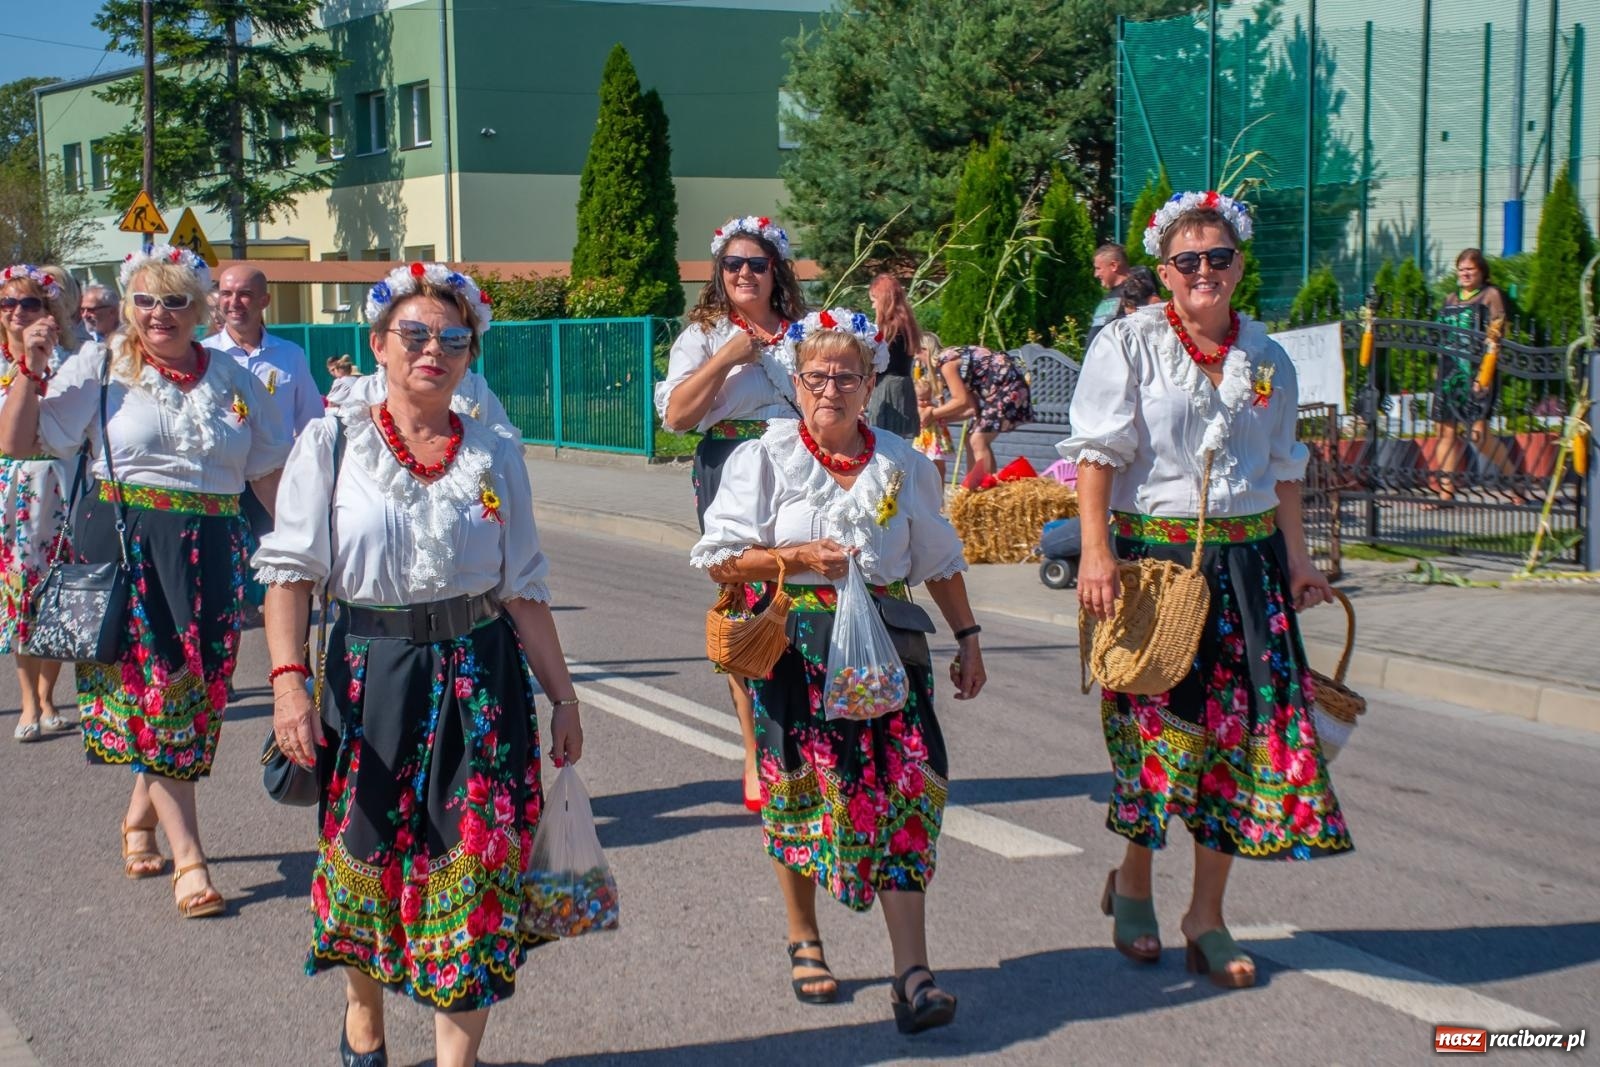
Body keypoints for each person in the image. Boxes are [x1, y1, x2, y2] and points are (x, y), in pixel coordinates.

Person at [255, 263, 583, 1067]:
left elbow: (522, 585)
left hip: (483, 676)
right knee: (366, 856)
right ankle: (362, 1011)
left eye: (453, 338)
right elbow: (290, 574)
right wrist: (289, 684)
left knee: (478, 862)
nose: (434, 350)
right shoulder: (333, 442)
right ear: (378, 344)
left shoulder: (495, 452)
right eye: (415, 334)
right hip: (371, 674)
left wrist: (564, 697)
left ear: (470, 354)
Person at [1062, 190, 1351, 990]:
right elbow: (1097, 454)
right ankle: (1134, 882)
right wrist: (1095, 552)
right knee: (1157, 737)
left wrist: (1299, 560)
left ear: (1238, 265)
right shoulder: (1130, 343)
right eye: (1186, 260)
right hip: (1156, 564)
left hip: (1249, 566)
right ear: (1164, 271)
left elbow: (1283, 469)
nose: (1203, 271)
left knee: (1240, 742)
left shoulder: (1268, 357)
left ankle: (1206, 916)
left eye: (1217, 257)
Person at [691, 308, 985, 1033]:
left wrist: (969, 637)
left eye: (847, 376)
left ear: (870, 383)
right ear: (796, 383)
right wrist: (794, 557)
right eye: (817, 376)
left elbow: (938, 560)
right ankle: (805, 939)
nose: (831, 389)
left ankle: (913, 972)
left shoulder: (902, 462)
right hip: (798, 650)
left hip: (888, 648)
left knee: (906, 788)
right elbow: (722, 558)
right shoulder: (763, 458)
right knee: (802, 791)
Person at [0, 244, 290, 913]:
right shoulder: (100, 365)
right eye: (145, 300)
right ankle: (192, 860)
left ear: (200, 309)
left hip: (214, 549)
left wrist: (307, 551)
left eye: (175, 300)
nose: (159, 313)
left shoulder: (233, 377)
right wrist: (28, 369)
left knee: (197, 699)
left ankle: (139, 818)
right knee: (155, 700)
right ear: (128, 306)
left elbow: (267, 472)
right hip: (128, 547)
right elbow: (17, 443)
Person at [655, 215, 807, 812]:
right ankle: (753, 748)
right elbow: (677, 417)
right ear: (719, 272)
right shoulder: (703, 335)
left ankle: (804, 735)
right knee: (746, 600)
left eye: (757, 264)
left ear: (777, 272)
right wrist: (727, 357)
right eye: (733, 264)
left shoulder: (803, 334)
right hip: (730, 466)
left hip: (799, 466)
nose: (745, 273)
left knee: (802, 591)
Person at [0, 265, 77, 741]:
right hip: (11, 492)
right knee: (20, 598)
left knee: (60, 596)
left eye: (29, 303)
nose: (17, 312)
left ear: (47, 310)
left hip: (61, 486)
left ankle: (49, 696)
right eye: (7, 303)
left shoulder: (68, 365)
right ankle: (29, 701)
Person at [1431, 248, 1518, 504]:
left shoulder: (1491, 296)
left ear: (1482, 272)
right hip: (1450, 373)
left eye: (1470, 269)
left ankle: (1515, 481)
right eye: (1461, 269)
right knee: (1445, 432)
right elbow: (1442, 335)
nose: (1465, 273)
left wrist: (1485, 373)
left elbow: (1498, 333)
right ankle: (1446, 491)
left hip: (1479, 371)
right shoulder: (1449, 299)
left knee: (1479, 435)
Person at [921, 342, 1033, 479]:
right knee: (970, 438)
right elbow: (971, 408)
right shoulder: (957, 361)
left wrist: (932, 414)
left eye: (916, 354)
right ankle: (974, 482)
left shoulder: (946, 362)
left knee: (978, 440)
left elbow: (960, 400)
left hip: (1008, 387)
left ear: (925, 350)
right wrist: (942, 418)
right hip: (1003, 389)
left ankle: (984, 485)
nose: (916, 360)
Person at [866, 274, 921, 437]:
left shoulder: (888, 329)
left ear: (884, 300)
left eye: (874, 300)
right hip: (904, 386)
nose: (873, 306)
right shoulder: (907, 325)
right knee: (899, 440)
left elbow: (877, 364)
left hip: (887, 388)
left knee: (882, 439)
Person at [911, 330, 955, 481]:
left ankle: (939, 492)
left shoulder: (938, 376)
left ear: (925, 350)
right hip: (925, 433)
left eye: (917, 352)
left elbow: (939, 400)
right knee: (923, 465)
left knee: (939, 465)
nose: (915, 356)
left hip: (936, 432)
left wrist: (934, 407)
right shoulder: (922, 378)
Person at [1088, 243, 1132, 333]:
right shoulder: (1110, 296)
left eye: (1098, 268)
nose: (1096, 274)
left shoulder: (1135, 291)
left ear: (1113, 266)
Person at [78, 282, 122, 348]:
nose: (84, 315)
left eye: (91, 310)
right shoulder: (83, 340)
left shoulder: (130, 337)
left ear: (112, 311)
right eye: (82, 310)